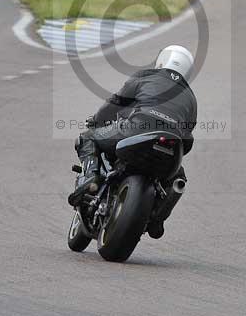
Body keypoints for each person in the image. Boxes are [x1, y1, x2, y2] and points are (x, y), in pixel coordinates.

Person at [68, 45, 198, 239]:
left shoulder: (146, 76)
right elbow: (187, 138)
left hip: (135, 131)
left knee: (88, 137)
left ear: (162, 60)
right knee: (179, 179)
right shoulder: (191, 98)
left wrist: (97, 120)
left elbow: (115, 103)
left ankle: (90, 181)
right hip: (171, 147)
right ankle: (158, 219)